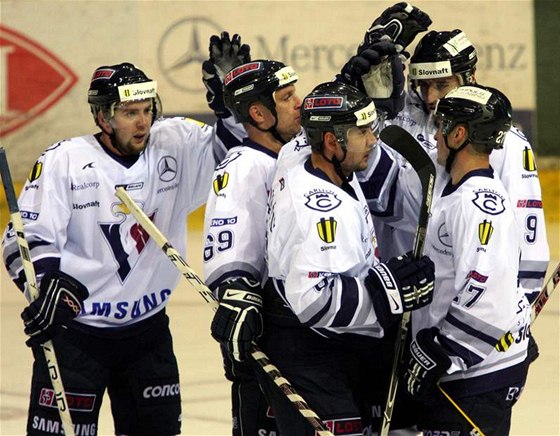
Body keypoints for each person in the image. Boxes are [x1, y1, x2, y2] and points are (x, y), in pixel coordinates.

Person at [1, 46, 248, 434]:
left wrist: (234, 105)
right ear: (103, 116)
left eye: (147, 110)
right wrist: (47, 285)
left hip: (147, 336)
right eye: (130, 113)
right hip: (77, 337)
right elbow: (25, 236)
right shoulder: (64, 161)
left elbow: (238, 158)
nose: (143, 122)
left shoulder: (175, 144)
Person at [257, 80, 436, 435]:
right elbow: (314, 301)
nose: (373, 140)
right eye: (362, 131)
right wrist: (389, 291)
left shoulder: (312, 162)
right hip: (309, 350)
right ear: (330, 140)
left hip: (329, 347)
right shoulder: (320, 210)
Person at [362, 27, 550, 305]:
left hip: (459, 300)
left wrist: (520, 305)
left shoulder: (505, 139)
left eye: (441, 85)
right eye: (423, 85)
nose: (429, 97)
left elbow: (527, 235)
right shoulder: (395, 120)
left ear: (469, 79)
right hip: (397, 294)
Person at [402, 84, 531, 435]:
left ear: (459, 134)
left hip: (476, 374)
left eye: (442, 126)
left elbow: (486, 297)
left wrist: (442, 352)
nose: (437, 134)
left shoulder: (479, 205)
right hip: (470, 369)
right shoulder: (453, 188)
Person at [203, 58, 301, 436]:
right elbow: (226, 239)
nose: (299, 103)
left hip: (298, 335)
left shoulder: (294, 157)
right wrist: (237, 289)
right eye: (287, 97)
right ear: (259, 113)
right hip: (264, 333)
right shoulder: (243, 164)